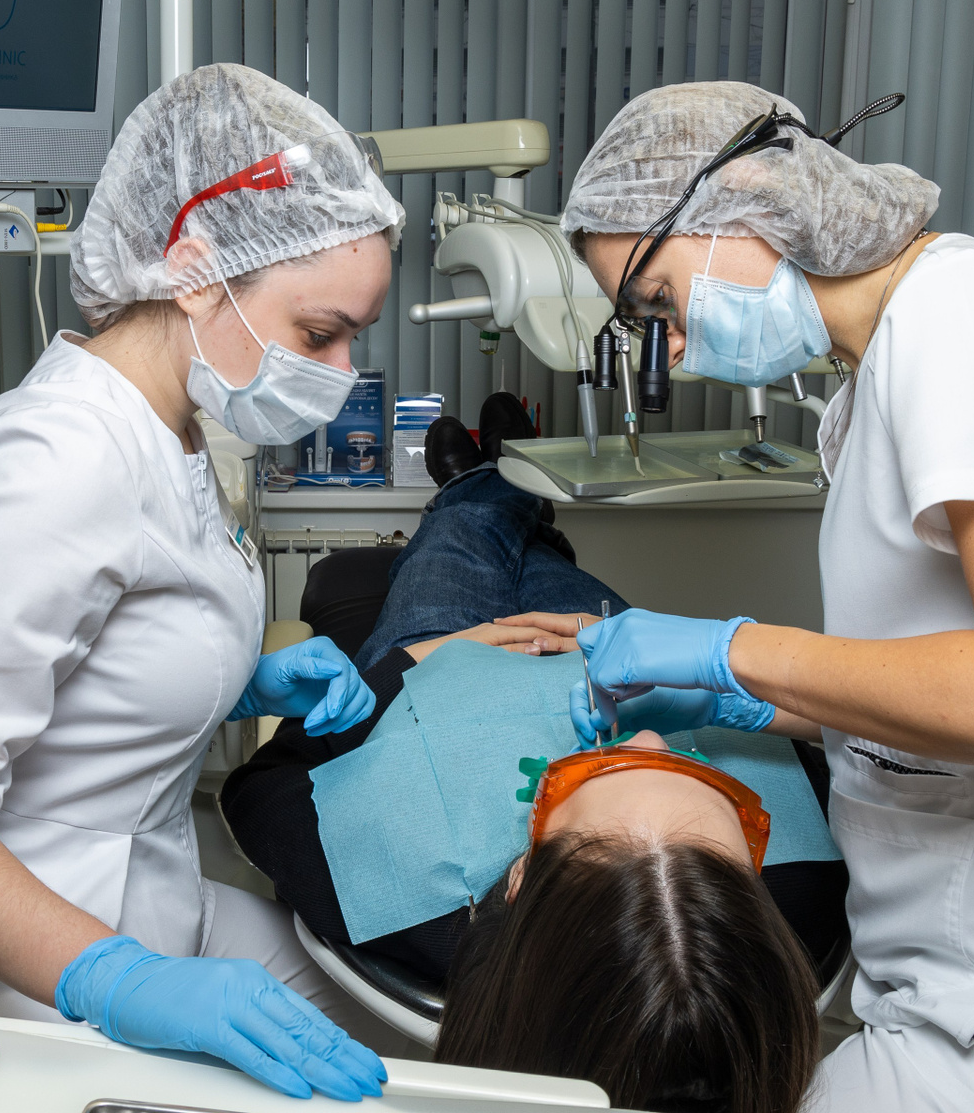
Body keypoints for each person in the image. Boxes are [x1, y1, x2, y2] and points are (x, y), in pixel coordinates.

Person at [508, 81, 974, 1113]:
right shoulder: (887, 369)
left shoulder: (970, 319)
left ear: (744, 206)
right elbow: (954, 687)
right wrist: (740, 697)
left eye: (657, 302)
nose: (671, 349)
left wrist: (733, 651)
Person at [0, 64, 409, 1101]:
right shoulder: (58, 458)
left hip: (142, 886)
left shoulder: (172, 424)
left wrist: (237, 683)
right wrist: (118, 977)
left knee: (407, 1033)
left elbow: (98, 647)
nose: (339, 370)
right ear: (196, 270)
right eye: (319, 333)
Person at [221, 412, 846, 1112]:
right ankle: (516, 493)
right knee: (548, 565)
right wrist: (715, 687)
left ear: (519, 879)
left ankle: (484, 480)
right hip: (609, 650)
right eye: (700, 774)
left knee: (460, 544)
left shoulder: (400, 905)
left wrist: (419, 660)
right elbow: (850, 749)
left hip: (450, 659)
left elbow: (264, 785)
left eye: (597, 768)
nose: (647, 740)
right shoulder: (804, 901)